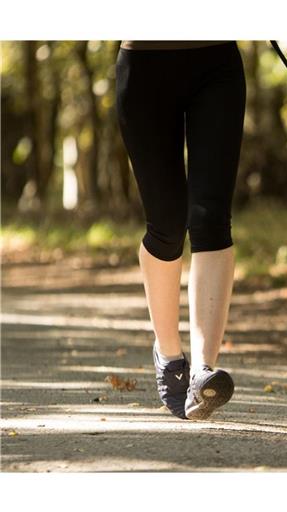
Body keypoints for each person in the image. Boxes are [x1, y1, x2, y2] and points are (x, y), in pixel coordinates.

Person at [115, 41, 246, 420]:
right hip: (144, 65)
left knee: (211, 219)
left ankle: (203, 370)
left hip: (216, 59)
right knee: (167, 223)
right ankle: (169, 353)